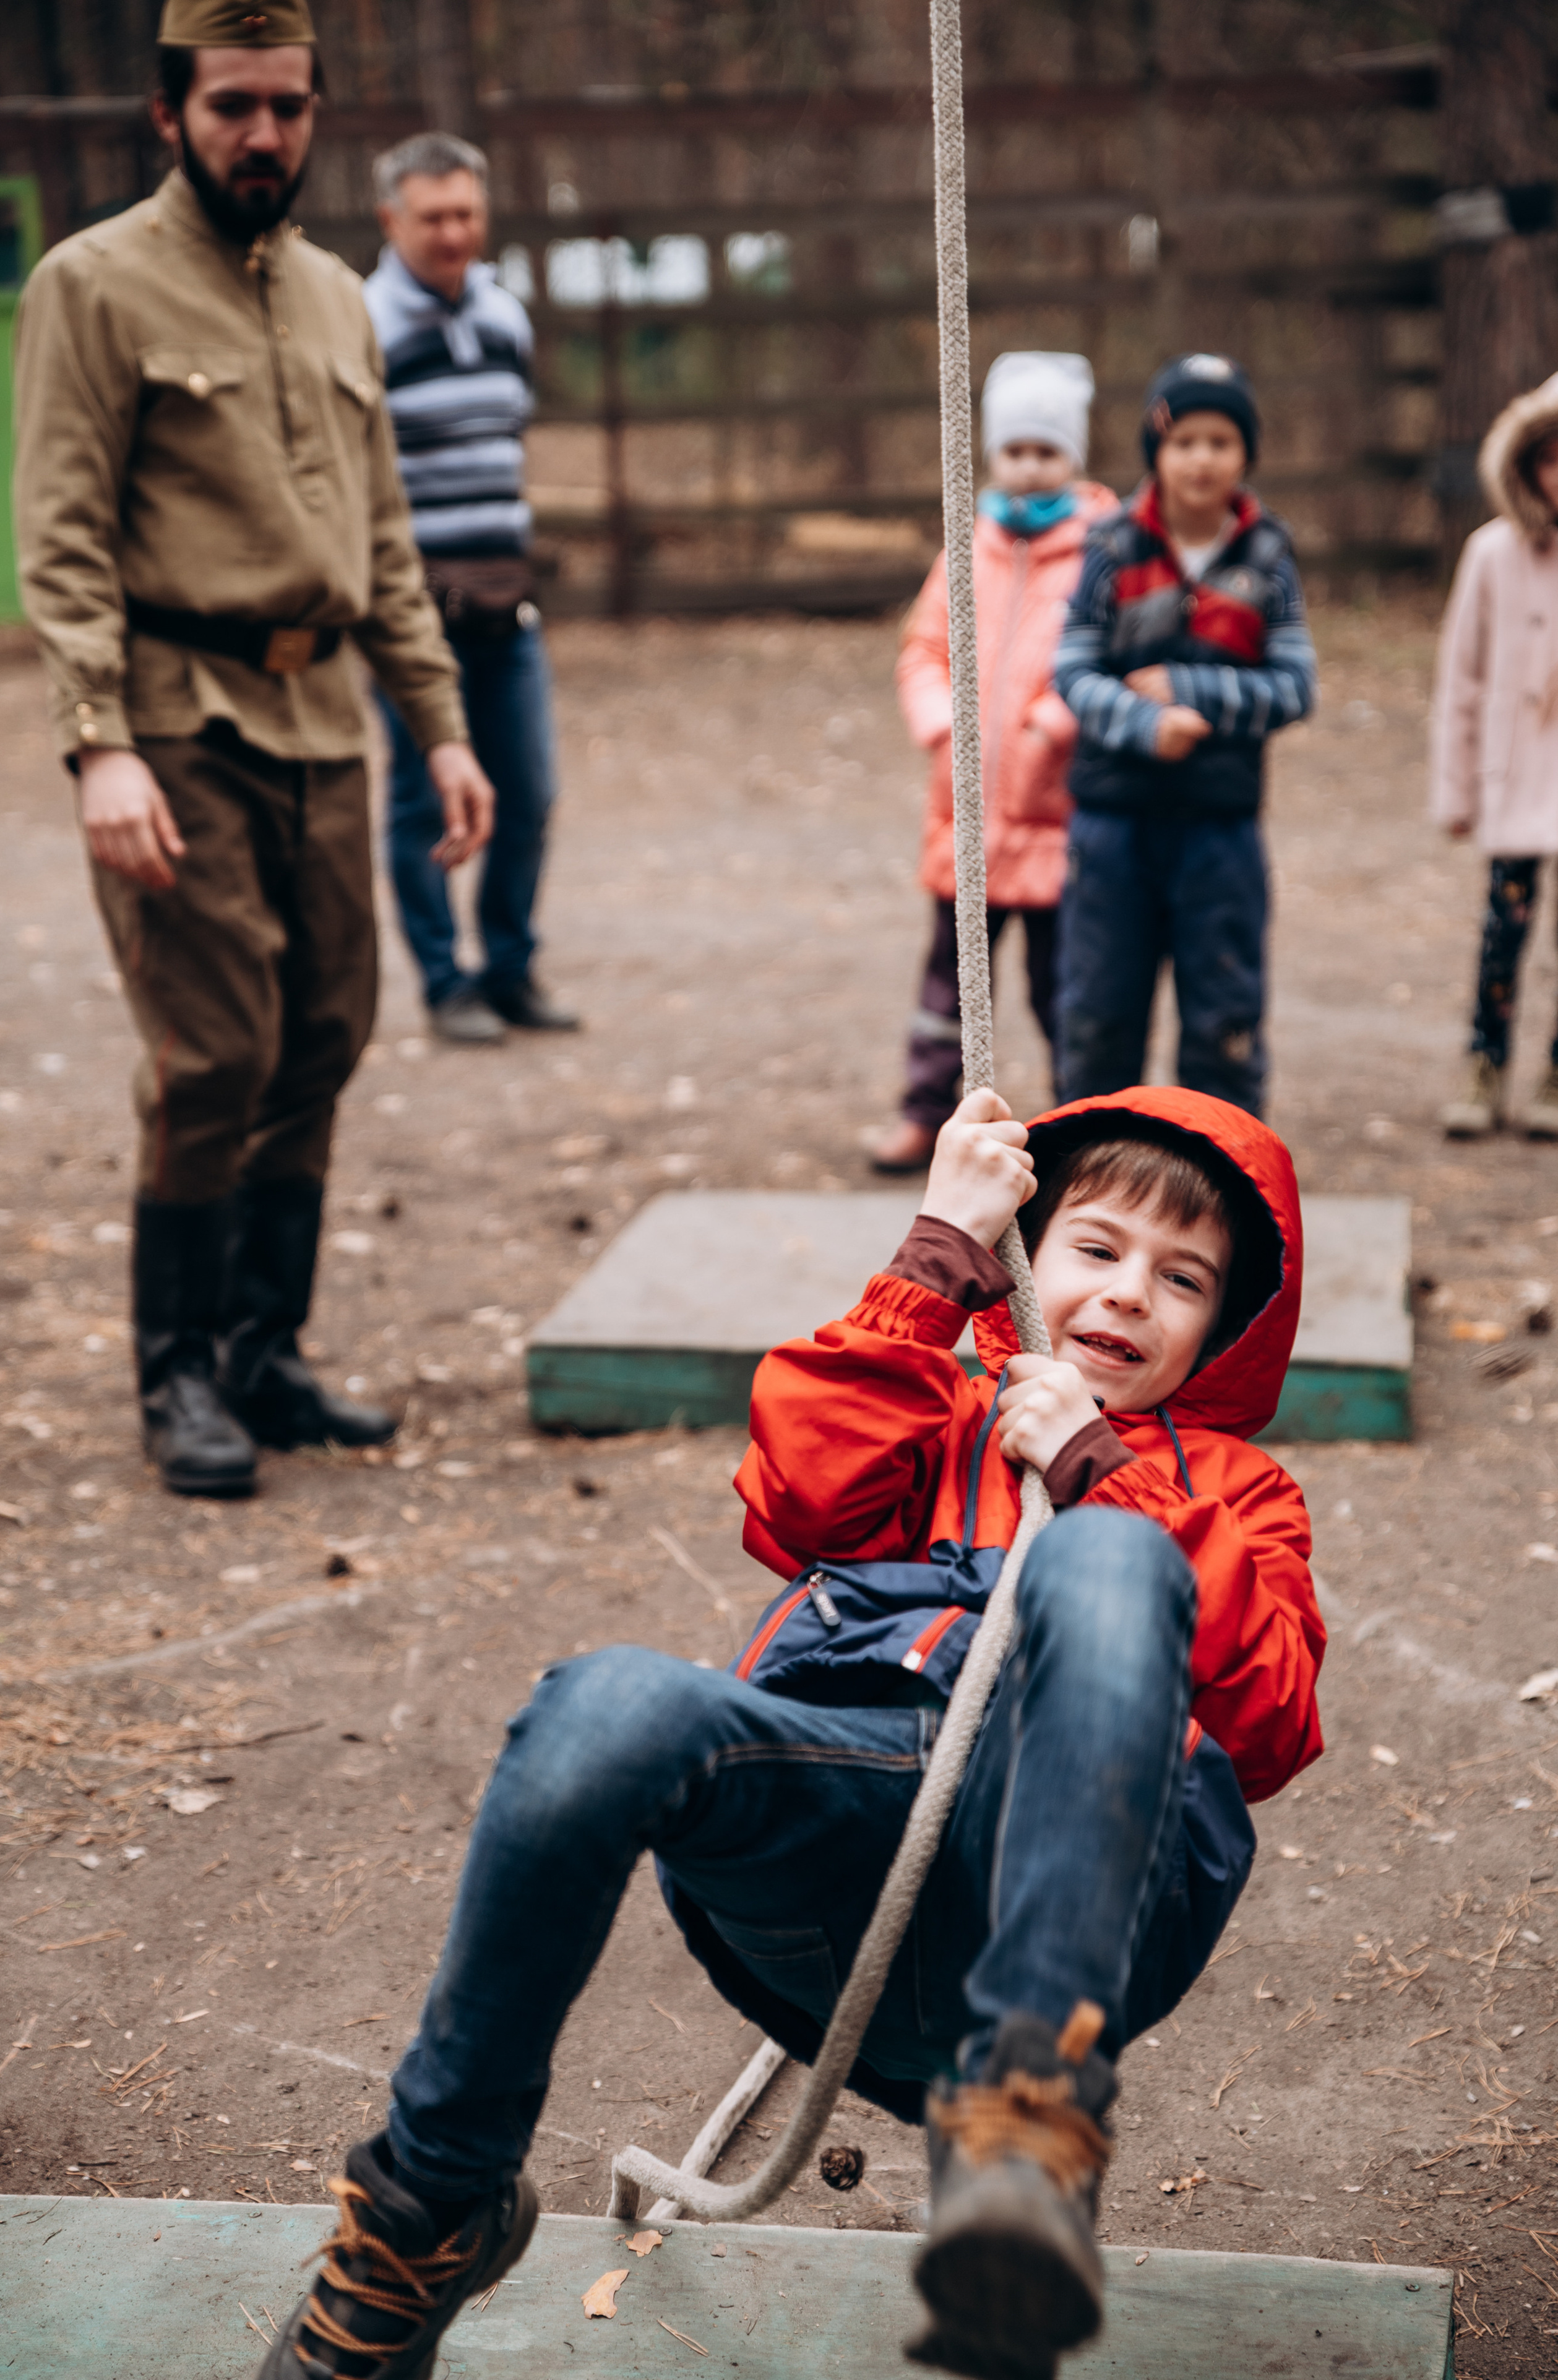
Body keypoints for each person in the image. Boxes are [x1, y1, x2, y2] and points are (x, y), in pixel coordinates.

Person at [254, 1081, 1323, 2380]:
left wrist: (1103, 1473)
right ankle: (431, 2207)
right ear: (1028, 1261)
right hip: (843, 1843)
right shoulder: (939, 1408)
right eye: (1093, 1249)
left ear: (1219, 1331)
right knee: (602, 1703)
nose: (1123, 1295)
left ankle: (1024, 2130)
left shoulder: (1239, 1492)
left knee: (1107, 1563)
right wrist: (936, 1252)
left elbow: (1268, 1720)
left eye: (1180, 1280)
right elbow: (794, 1489)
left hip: (1077, 1892)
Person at [12, 0, 494, 1500]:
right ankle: (177, 1379)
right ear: (171, 115)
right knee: (214, 1048)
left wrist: (442, 722)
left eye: (286, 106)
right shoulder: (90, 285)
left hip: (318, 718)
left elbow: (387, 538)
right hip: (175, 717)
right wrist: (99, 744)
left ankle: (263, 1352)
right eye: (232, 106)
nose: (262, 135)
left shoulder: (342, 298)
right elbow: (65, 534)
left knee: (325, 1032)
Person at [1051, 355, 1318, 1117]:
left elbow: (1295, 687)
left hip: (1219, 830)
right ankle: (1090, 1187)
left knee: (1223, 1024)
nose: (1202, 459)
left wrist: (1190, 690)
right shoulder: (1111, 548)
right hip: (1112, 827)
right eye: (1184, 442)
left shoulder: (1267, 557)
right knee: (1099, 1018)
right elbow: (1072, 669)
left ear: (1245, 455)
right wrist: (1144, 724)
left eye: (1220, 442)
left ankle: (1223, 1195)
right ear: (1156, 452)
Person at [871, 354, 1116, 1174]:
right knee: (948, 983)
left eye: (1048, 451)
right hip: (966, 816)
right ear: (993, 456)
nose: (1030, 466)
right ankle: (926, 1110)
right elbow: (923, 649)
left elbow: (1103, 659)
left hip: (1055, 818)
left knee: (1062, 986)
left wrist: (1054, 720)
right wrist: (941, 724)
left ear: (1074, 459)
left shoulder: (1098, 553)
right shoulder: (965, 547)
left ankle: (1077, 1123)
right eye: (1016, 450)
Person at [363, 132, 577, 1046]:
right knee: (422, 797)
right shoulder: (364, 323)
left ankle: (510, 966)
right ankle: (445, 981)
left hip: (506, 601)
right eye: (433, 216)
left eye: (467, 214)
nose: (454, 233)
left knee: (526, 790)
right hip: (415, 611)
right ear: (391, 219)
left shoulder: (505, 316)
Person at [1431, 372, 1558, 1140]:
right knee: (1502, 934)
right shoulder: (1491, 555)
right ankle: (1485, 1062)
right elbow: (1461, 677)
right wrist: (1457, 789)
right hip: (1518, 784)